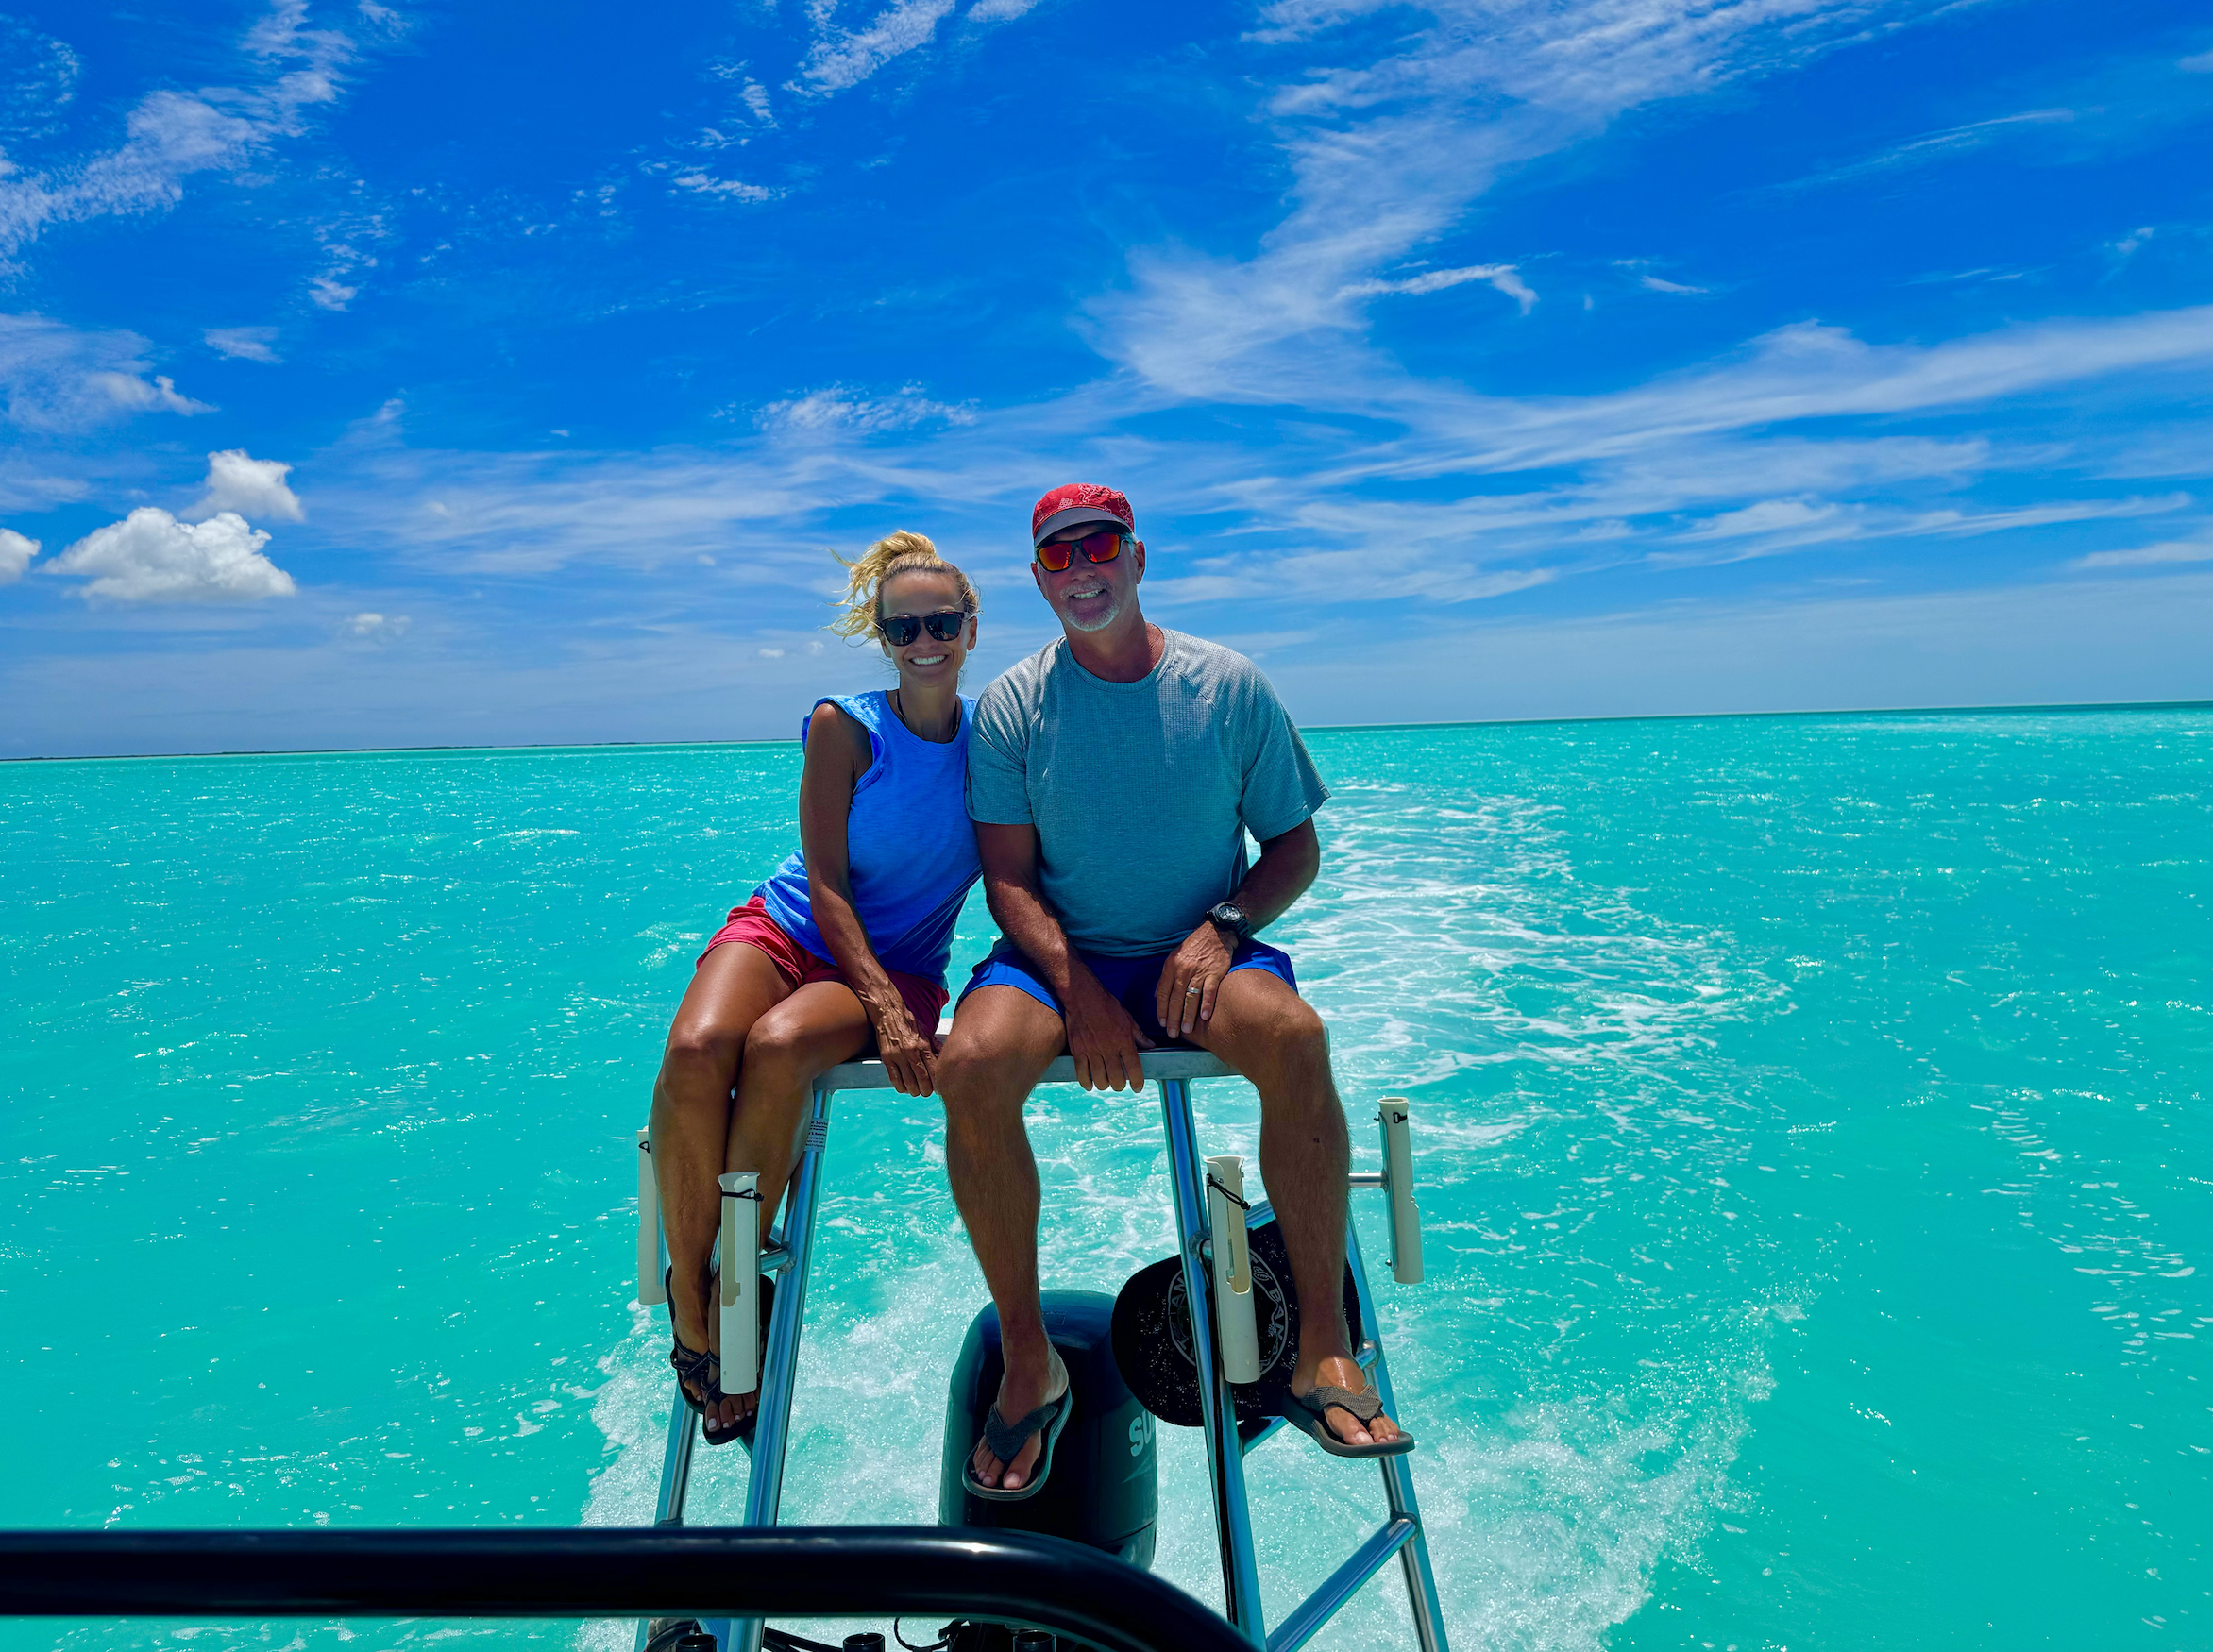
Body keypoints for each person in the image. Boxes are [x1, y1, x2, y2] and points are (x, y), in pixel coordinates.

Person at [938, 482, 1412, 1501]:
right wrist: (1082, 993)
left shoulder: (1229, 685)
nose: (1082, 569)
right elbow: (1008, 881)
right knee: (969, 1062)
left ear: (1137, 557)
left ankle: (1323, 1348)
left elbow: (1294, 847)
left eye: (1099, 545)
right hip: (1058, 959)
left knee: (1294, 1038)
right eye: (1058, 557)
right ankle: (1031, 1360)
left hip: (1203, 949)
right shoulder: (1016, 705)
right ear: (1037, 580)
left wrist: (1221, 929)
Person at [649, 531, 982, 1445]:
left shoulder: (996, 741)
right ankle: (697, 1295)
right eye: (904, 625)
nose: (924, 638)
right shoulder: (844, 723)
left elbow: (1029, 869)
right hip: (791, 928)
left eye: (941, 622)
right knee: (692, 1052)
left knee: (781, 1047)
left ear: (970, 628)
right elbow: (827, 884)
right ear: (881, 635)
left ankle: (739, 1287)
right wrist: (876, 1007)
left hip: (902, 964)